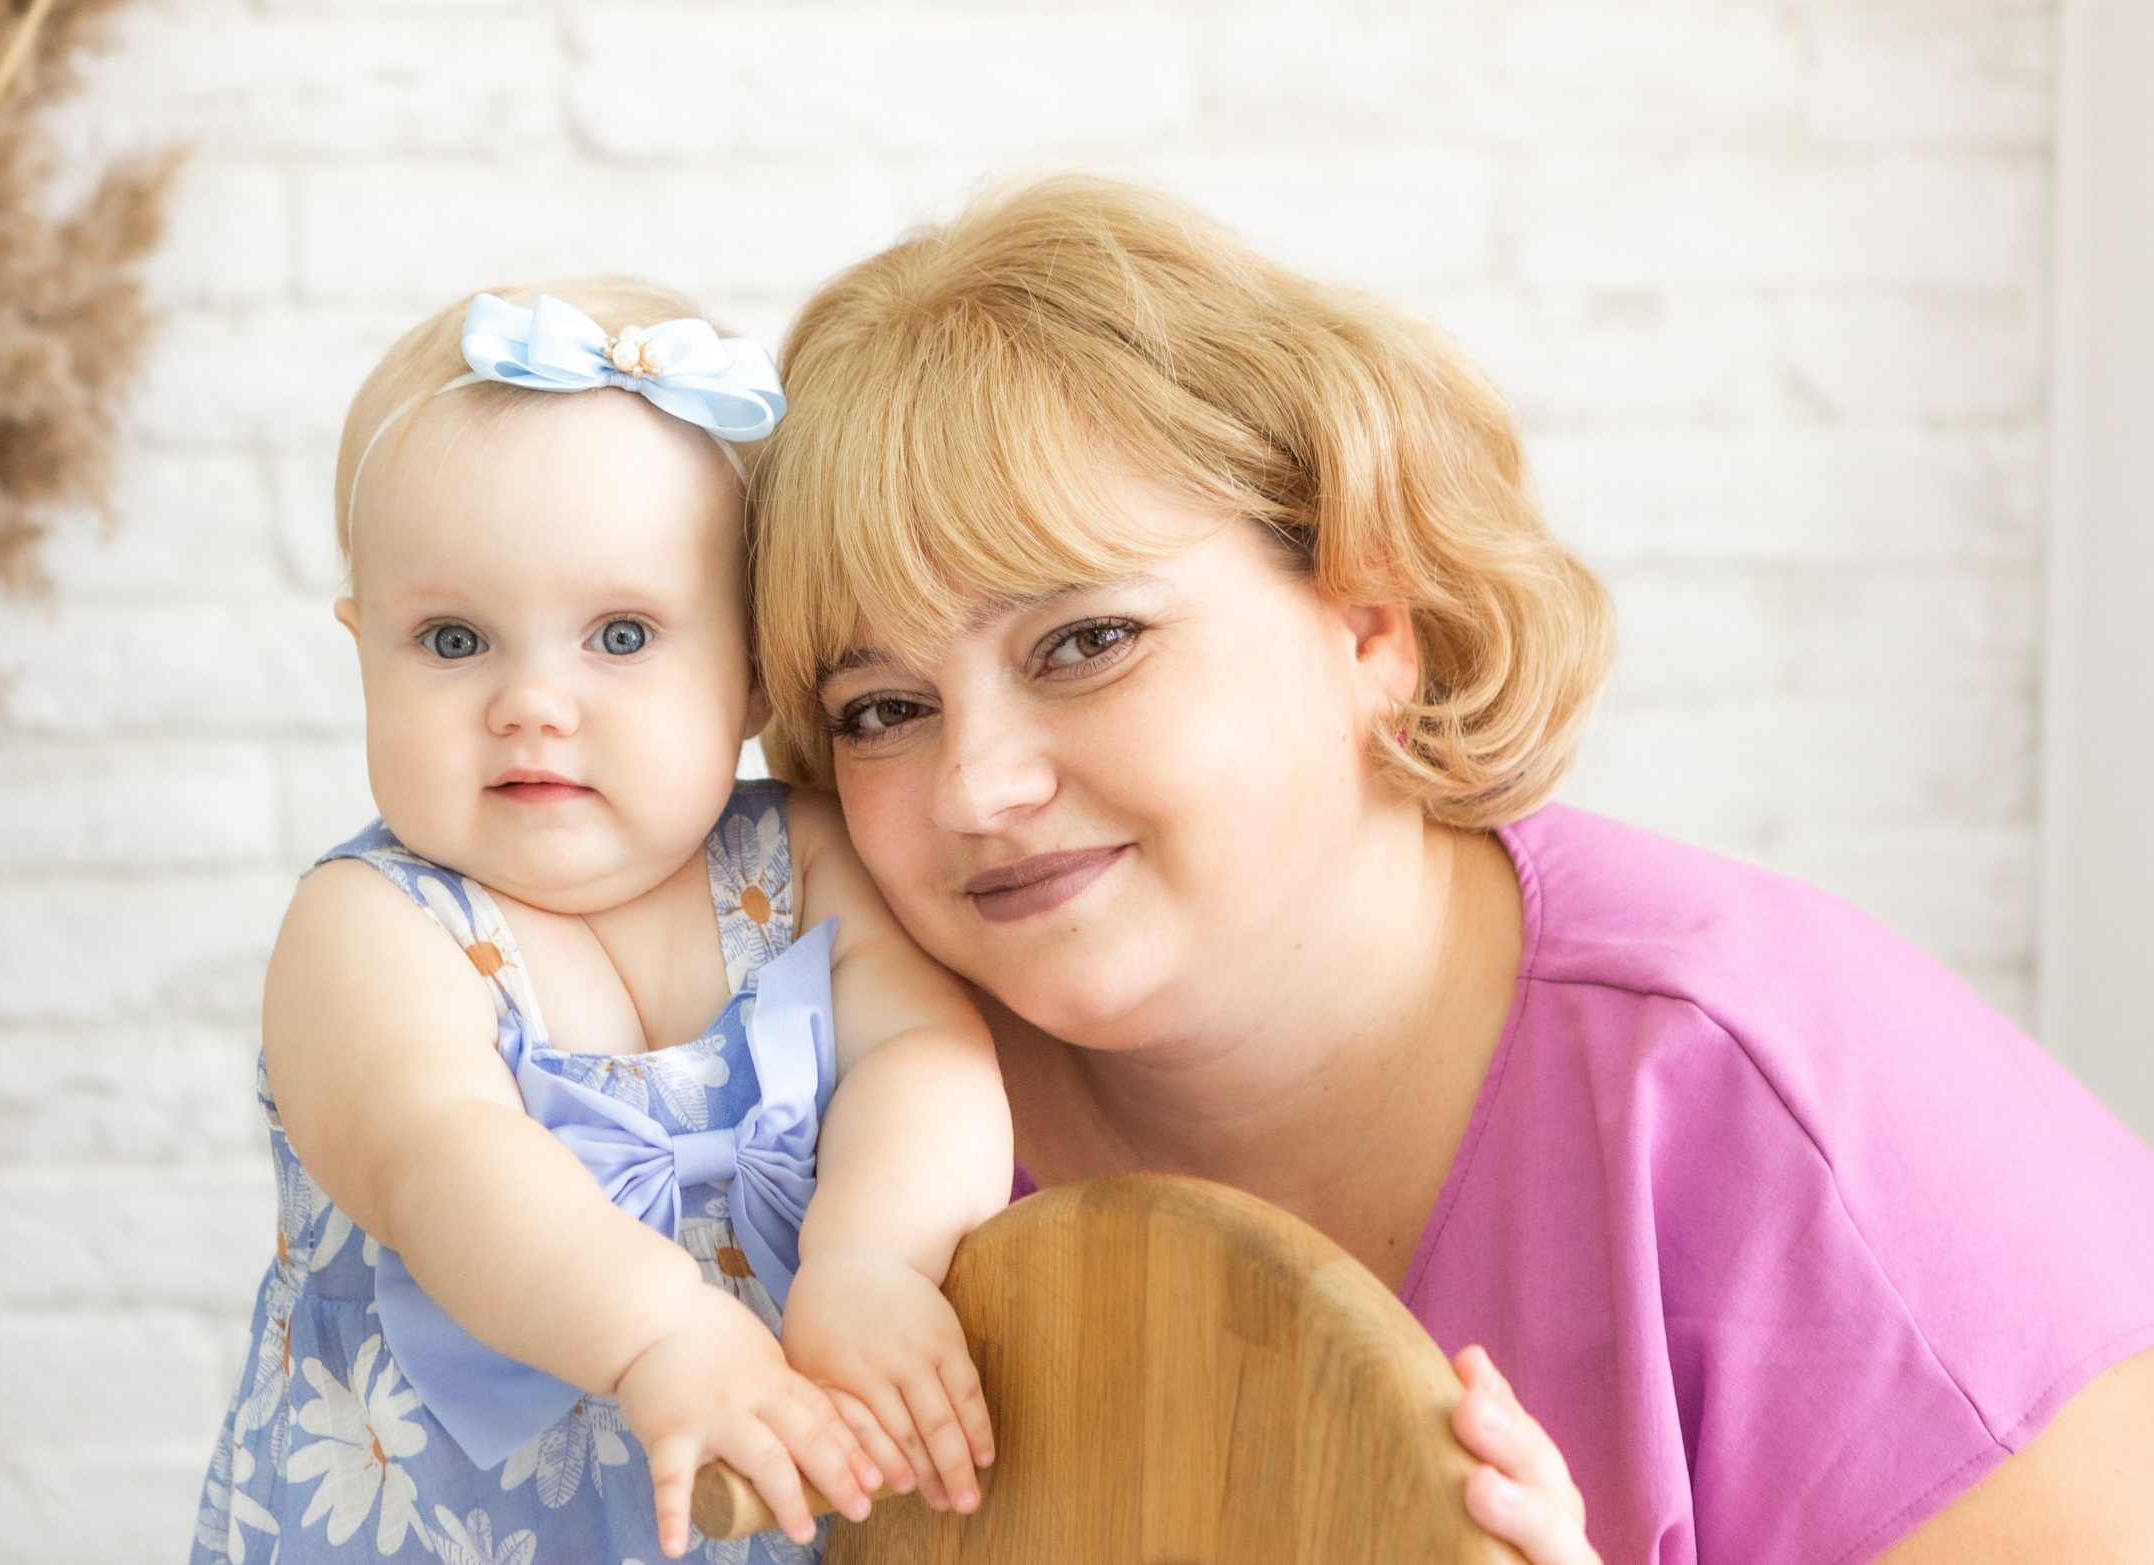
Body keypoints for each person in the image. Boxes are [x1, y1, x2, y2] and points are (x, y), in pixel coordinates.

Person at [747, 177, 2154, 1565]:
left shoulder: (1792, 1126)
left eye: (1086, 641)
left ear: (1371, 619)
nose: (978, 784)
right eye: (882, 709)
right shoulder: (820, 1106)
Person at [193, 283, 1011, 1565]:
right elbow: (440, 1154)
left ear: (748, 670)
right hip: (429, 1523)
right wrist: (658, 1335)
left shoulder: (803, 859)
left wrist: (872, 1261)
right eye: (452, 638)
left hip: (765, 1494)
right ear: (361, 649)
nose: (531, 700)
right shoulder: (374, 925)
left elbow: (927, 1056)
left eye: (619, 634)